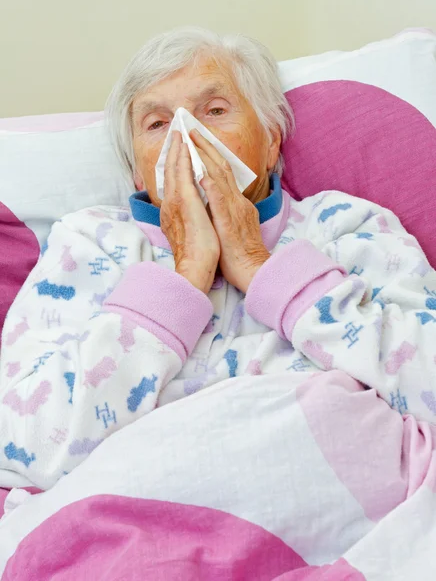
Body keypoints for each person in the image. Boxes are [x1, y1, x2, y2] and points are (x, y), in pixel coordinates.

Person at [1, 27, 436, 490]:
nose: (188, 138)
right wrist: (184, 280)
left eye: (214, 111)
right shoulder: (89, 242)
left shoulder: (346, 224)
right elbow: (22, 446)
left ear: (271, 142)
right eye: (157, 124)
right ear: (136, 170)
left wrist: (261, 266)